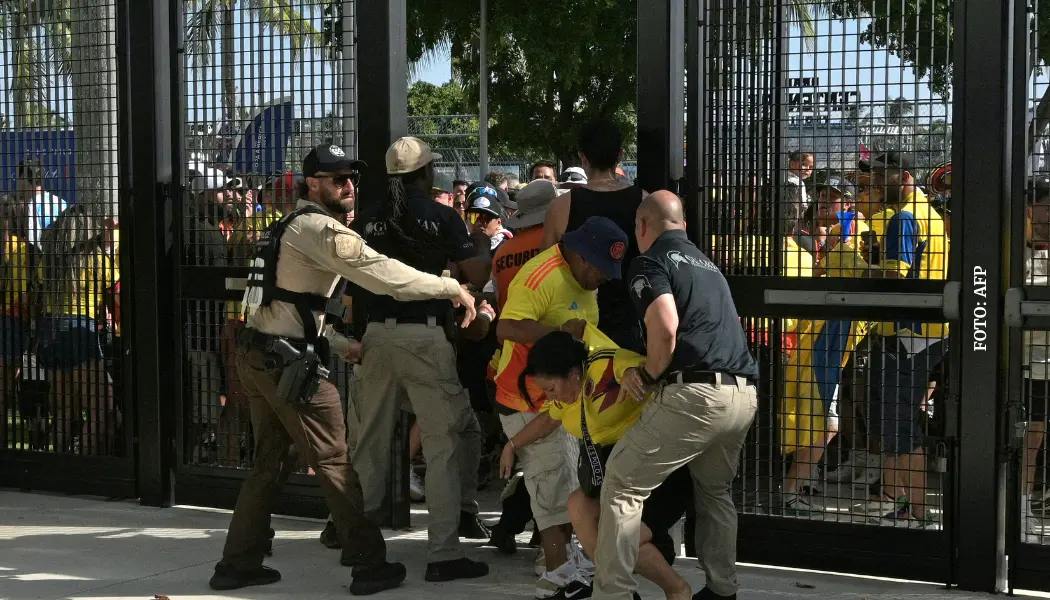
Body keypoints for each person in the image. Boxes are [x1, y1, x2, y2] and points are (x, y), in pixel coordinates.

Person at [208, 143, 478, 595]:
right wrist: (451, 286)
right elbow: (384, 273)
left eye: (351, 176)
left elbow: (281, 302)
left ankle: (237, 564)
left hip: (260, 354)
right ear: (312, 184)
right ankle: (369, 563)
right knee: (336, 460)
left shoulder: (285, 226)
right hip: (286, 362)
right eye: (337, 178)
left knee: (268, 464)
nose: (348, 185)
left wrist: (333, 340)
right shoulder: (318, 229)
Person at [592, 191, 759, 600]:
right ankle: (722, 591)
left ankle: (612, 594)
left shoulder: (649, 262)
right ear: (682, 224)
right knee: (715, 493)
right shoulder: (708, 265)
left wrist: (647, 374)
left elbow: (665, 328)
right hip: (743, 395)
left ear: (643, 226)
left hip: (694, 396)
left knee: (621, 484)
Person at [351, 137, 491, 583]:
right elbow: (479, 273)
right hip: (426, 337)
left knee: (367, 445)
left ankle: (358, 543)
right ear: (427, 173)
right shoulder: (442, 216)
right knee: (443, 444)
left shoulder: (369, 218)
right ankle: (443, 552)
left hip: (375, 336)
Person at [492, 216, 628, 598]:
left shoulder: (583, 278)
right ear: (582, 257)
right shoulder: (541, 276)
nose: (602, 279)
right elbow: (506, 328)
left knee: (566, 481)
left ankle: (568, 565)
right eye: (601, 271)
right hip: (526, 400)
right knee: (551, 487)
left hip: (560, 404)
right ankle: (557, 576)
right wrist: (560, 334)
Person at [507, 327, 693, 600]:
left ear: (572, 375)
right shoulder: (566, 397)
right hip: (619, 479)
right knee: (578, 504)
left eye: (550, 388)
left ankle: (676, 590)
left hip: (659, 472)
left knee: (620, 541)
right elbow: (547, 420)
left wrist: (634, 374)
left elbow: (645, 370)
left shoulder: (606, 365)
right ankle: (615, 588)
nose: (549, 397)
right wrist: (511, 446)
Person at [542, 118, 646, 353]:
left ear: (582, 157)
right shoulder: (644, 203)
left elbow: (544, 268)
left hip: (577, 326)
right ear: (619, 155)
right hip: (629, 322)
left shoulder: (562, 206)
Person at [36, 204, 120, 457]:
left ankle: (59, 459)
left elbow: (38, 285)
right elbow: (116, 288)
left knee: (63, 408)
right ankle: (86, 460)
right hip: (79, 330)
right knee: (100, 408)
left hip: (49, 329)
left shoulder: (50, 258)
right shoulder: (95, 257)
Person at [16, 158, 68, 247]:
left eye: (18, 179)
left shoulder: (32, 206)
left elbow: (32, 246)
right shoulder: (61, 202)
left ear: (23, 177)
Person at [465, 185, 513, 251]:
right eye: (474, 217)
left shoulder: (507, 247)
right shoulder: (462, 246)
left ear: (498, 223)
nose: (478, 223)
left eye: (486, 219)